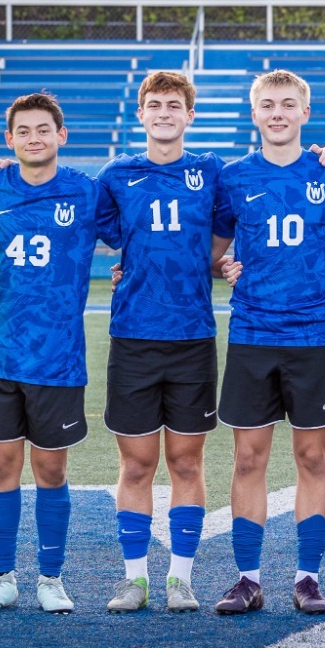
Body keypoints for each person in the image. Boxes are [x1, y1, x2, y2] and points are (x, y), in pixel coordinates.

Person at [210, 70, 325, 615]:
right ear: (254, 113)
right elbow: (210, 252)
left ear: (304, 113)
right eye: (267, 104)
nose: (278, 113)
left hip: (312, 334)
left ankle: (307, 577)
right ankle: (247, 578)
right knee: (249, 457)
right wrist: (222, 265)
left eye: (288, 104)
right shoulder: (233, 176)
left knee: (312, 456)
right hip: (252, 332)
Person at [93, 71, 228, 614]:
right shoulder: (116, 175)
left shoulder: (210, 171)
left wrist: (213, 263)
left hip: (192, 336)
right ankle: (134, 580)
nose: (165, 113)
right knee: (136, 465)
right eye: (155, 105)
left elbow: (225, 233)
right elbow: (98, 229)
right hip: (133, 336)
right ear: (141, 114)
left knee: (186, 463)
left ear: (190, 115)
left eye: (175, 105)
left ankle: (180, 579)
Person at [0, 93, 98, 615]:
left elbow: (131, 232)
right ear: (9, 139)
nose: (34, 138)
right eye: (23, 131)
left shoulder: (86, 191)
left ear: (62, 136)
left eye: (44, 129)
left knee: (51, 471)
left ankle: (51, 578)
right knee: (1, 469)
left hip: (57, 359)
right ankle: (2, 577)